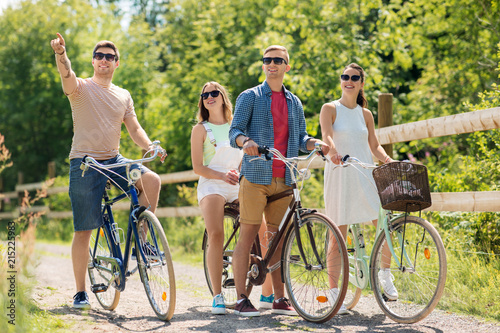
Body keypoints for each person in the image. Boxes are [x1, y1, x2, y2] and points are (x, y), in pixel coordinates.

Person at [50, 33, 166, 310]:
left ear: (117, 64)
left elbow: (134, 128)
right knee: (84, 230)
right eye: (99, 56)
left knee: (150, 180)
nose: (104, 60)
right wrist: (60, 54)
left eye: (109, 57)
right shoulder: (79, 88)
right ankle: (80, 292)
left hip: (116, 162)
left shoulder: (123, 95)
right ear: (93, 61)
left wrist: (150, 146)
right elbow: (66, 74)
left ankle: (142, 241)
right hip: (85, 164)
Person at [229, 45, 329, 317]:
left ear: (287, 65)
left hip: (285, 177)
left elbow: (300, 139)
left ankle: (279, 299)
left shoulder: (294, 102)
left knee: (279, 238)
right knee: (249, 234)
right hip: (255, 175)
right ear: (263, 66)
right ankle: (241, 298)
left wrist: (315, 143)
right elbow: (234, 131)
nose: (272, 64)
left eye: (278, 60)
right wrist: (246, 141)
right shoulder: (249, 97)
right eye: (267, 60)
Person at [319, 63, 397, 314]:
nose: (348, 81)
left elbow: (374, 145)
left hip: (365, 173)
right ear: (341, 80)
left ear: (362, 83)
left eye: (354, 77)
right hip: (340, 172)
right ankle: (334, 292)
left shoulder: (366, 114)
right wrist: (332, 150)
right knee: (337, 232)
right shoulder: (330, 108)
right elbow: (327, 135)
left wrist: (387, 160)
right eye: (344, 77)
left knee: (384, 225)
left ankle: (384, 274)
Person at [190, 81, 243, 315]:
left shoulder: (236, 126)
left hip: (236, 181)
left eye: (214, 93)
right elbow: (198, 167)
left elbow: (243, 156)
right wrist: (222, 175)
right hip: (212, 183)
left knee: (257, 227)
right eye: (205, 95)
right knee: (217, 233)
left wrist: (238, 173)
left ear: (223, 97)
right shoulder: (200, 129)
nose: (209, 97)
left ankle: (264, 292)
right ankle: (217, 295)